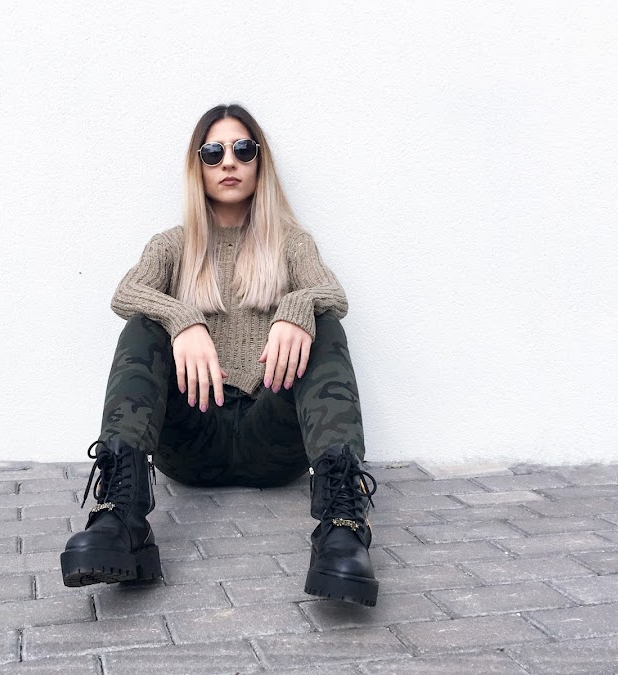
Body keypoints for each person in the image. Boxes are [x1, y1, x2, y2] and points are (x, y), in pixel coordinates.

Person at [60, 104, 379, 606]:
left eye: (242, 149)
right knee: (143, 325)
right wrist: (182, 318)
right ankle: (119, 518)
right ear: (199, 166)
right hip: (195, 439)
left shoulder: (291, 243)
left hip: (271, 439)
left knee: (323, 324)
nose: (228, 161)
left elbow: (333, 295)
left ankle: (342, 524)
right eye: (213, 152)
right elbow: (125, 294)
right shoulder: (172, 245)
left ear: (259, 162)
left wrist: (296, 307)